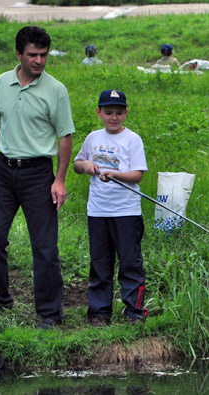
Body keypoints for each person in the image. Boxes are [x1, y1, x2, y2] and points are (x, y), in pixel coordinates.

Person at [0, 26, 74, 330]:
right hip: (4, 171)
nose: (39, 61)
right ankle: (0, 300)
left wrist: (59, 180)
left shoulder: (56, 90)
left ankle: (49, 314)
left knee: (44, 247)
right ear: (19, 54)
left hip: (38, 174)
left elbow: (65, 137)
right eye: (33, 55)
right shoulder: (2, 82)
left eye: (44, 55)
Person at [73, 89, 148, 327]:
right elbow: (76, 164)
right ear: (99, 113)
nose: (113, 118)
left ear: (126, 113)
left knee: (130, 263)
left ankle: (134, 312)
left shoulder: (132, 139)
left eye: (118, 113)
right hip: (97, 211)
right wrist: (85, 165)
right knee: (99, 263)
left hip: (126, 212)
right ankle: (99, 312)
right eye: (108, 113)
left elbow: (137, 175)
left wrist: (115, 174)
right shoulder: (93, 138)